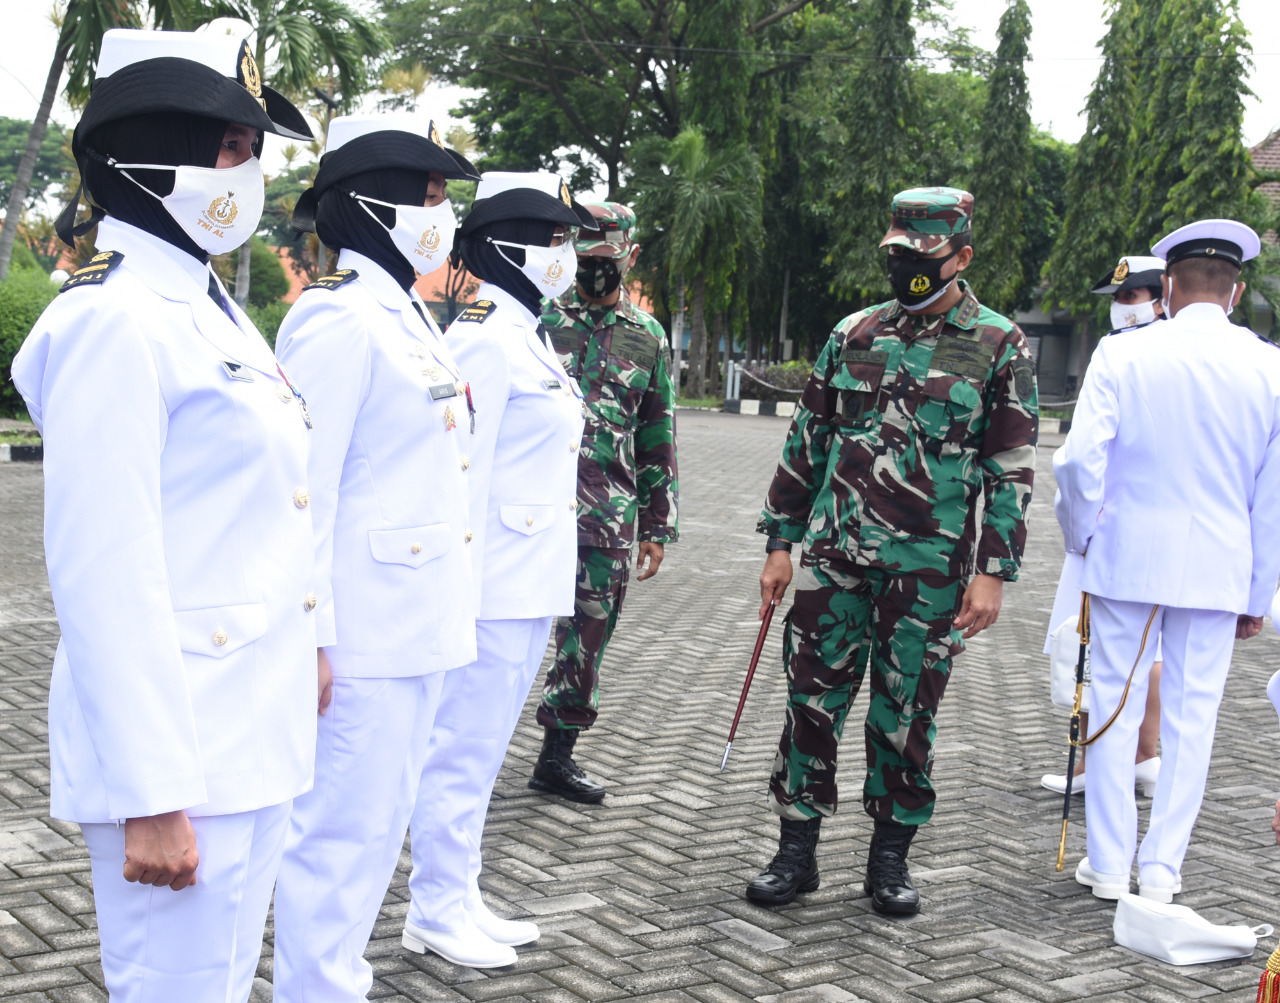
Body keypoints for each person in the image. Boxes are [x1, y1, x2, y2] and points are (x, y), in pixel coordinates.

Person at [10, 26, 317, 1002]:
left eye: (250, 147)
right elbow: (107, 571)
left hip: (246, 731)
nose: (247, 167)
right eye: (227, 143)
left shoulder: (207, 306)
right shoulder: (112, 320)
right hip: (183, 753)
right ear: (145, 149)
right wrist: (151, 795)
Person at [747, 187, 1039, 916]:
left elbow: (1011, 466)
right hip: (835, 559)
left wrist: (993, 573)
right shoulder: (853, 333)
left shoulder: (999, 343)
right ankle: (796, 850)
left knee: (905, 715)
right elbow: (805, 445)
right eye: (897, 254)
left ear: (961, 256)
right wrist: (781, 543)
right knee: (810, 701)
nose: (908, 265)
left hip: (931, 574)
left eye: (924, 255)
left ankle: (889, 859)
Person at [268, 112, 482, 1001]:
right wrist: (309, 632)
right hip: (359, 630)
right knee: (340, 834)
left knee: (380, 820)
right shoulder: (337, 321)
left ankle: (336, 976)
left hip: (411, 623)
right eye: (426, 197)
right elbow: (301, 491)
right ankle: (316, 985)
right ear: (370, 207)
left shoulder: (408, 315)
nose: (441, 215)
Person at [401, 172, 596, 966]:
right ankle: (434, 907)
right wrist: (460, 586)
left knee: (482, 752)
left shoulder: (524, 328)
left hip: (525, 580)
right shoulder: (484, 333)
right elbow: (461, 468)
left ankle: (461, 890)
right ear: (510, 246)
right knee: (460, 748)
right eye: (554, 241)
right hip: (489, 585)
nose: (568, 256)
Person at [1055, 219, 1280, 904]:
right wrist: (1258, 592)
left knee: (1114, 706)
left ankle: (1107, 860)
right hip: (1219, 565)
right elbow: (1274, 498)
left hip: (1127, 556)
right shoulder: (1271, 365)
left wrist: (1084, 537)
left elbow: (1075, 463)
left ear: (1171, 287)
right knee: (1192, 719)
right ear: (1236, 291)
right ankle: (1161, 869)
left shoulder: (1121, 355)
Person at [529, 201, 679, 803]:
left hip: (605, 515)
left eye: (607, 261)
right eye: (584, 259)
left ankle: (555, 757)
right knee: (500, 634)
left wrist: (657, 524)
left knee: (586, 639)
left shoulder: (648, 337)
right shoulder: (537, 319)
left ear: (630, 256)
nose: (594, 271)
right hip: (530, 508)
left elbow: (657, 432)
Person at [1041, 254, 1167, 798]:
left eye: (1130, 297)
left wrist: (1077, 527)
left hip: (1108, 522)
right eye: (1117, 298)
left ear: (1161, 293)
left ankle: (1101, 762)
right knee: (1152, 648)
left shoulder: (1115, 354)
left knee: (1097, 641)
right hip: (1171, 529)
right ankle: (1145, 754)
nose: (1120, 308)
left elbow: (1080, 457)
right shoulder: (1189, 350)